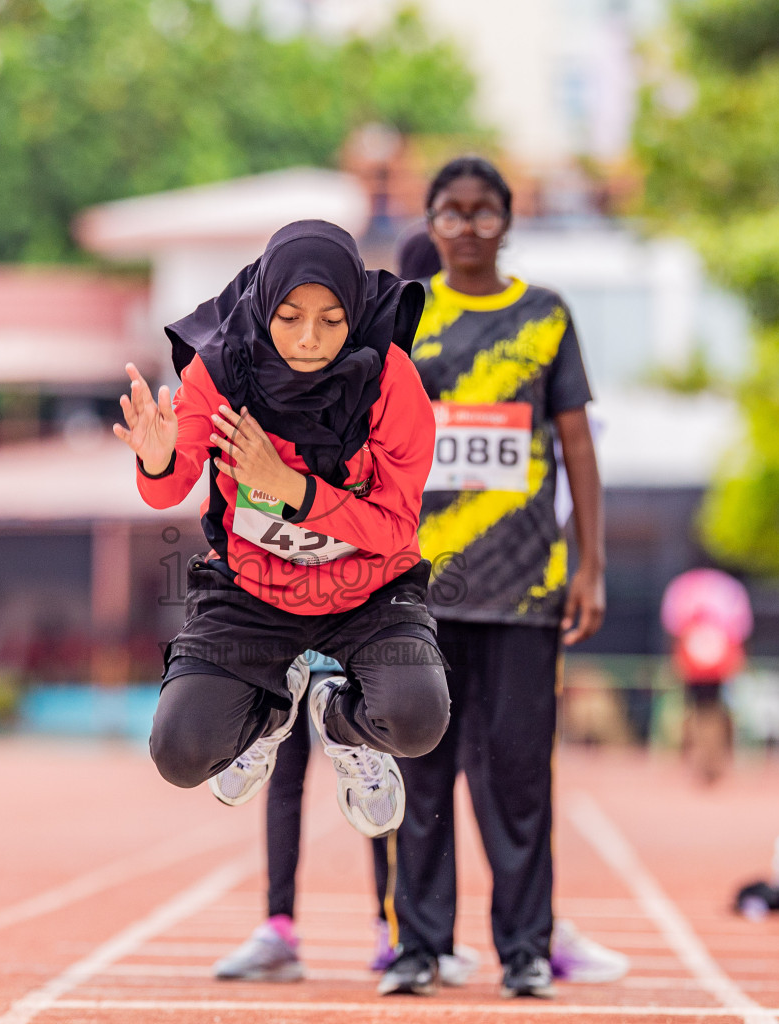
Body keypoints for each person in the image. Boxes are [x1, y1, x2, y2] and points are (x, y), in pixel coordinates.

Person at [379, 157, 628, 1000]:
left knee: (520, 774)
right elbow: (375, 444)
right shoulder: (407, 318)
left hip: (526, 590)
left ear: (509, 221)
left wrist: (591, 565)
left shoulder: (545, 317)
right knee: (420, 772)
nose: (469, 228)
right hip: (422, 592)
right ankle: (418, 946)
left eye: (485, 214)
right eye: (451, 213)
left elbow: (579, 448)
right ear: (431, 222)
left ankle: (525, 949)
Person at [118, 220, 450, 842]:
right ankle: (269, 712)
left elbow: (396, 524)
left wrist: (291, 491)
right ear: (265, 304)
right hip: (254, 590)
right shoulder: (219, 372)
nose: (309, 338)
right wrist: (158, 458)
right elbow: (166, 489)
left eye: (331, 320)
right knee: (181, 753)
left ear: (355, 311)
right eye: (291, 316)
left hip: (368, 591)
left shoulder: (391, 381)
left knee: (416, 720)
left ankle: (343, 725)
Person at [209, 229, 478, 987]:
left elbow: (399, 505)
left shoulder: (415, 381)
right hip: (285, 586)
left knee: (378, 747)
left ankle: (391, 926)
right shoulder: (308, 366)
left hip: (385, 586)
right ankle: (281, 924)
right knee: (285, 749)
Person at [660, 566, 753, 784]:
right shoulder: (730, 587)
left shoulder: (681, 585)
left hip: (694, 655)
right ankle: (710, 760)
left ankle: (703, 760)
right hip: (719, 656)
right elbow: (741, 629)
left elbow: (673, 627)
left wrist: (676, 657)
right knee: (714, 708)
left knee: (698, 708)